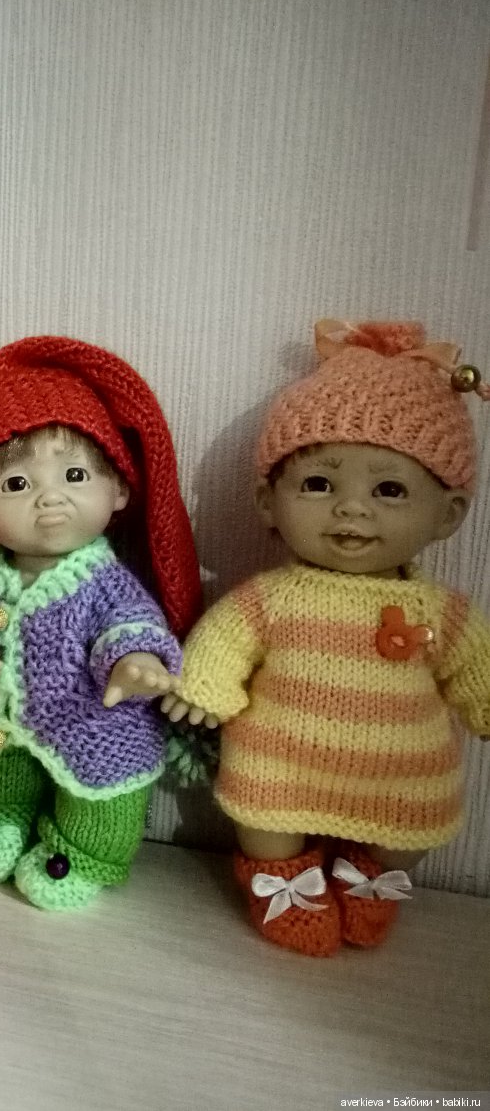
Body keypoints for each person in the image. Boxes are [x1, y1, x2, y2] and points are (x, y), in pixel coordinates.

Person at [165, 320, 490, 955]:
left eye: (389, 489)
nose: (352, 508)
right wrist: (204, 685)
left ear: (448, 513)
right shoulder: (270, 598)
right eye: (319, 483)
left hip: (403, 770)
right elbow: (226, 640)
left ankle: (374, 878)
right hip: (281, 762)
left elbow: (473, 663)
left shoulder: (441, 612)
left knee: (411, 825)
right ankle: (280, 881)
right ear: (268, 501)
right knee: (265, 818)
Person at [0, 335, 203, 910]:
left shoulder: (104, 582)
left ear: (118, 489)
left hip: (94, 727)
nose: (50, 499)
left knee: (100, 799)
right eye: (17, 484)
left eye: (76, 476)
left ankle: (80, 853)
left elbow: (130, 621)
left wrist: (136, 661)